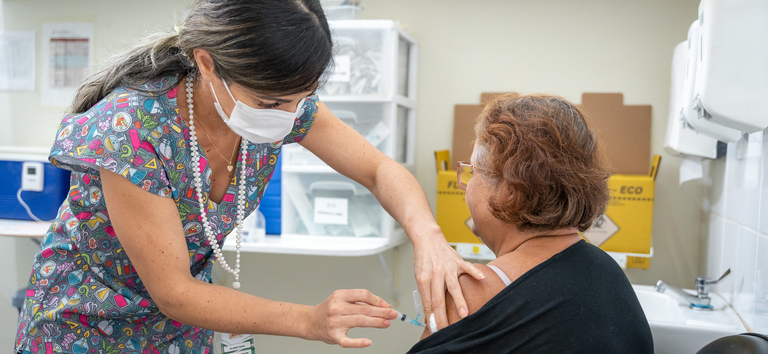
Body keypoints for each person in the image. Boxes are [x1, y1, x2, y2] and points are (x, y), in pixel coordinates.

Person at [14, 1, 483, 352]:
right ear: (206, 63)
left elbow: (380, 170)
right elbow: (175, 292)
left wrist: (429, 238)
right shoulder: (132, 129)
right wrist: (309, 320)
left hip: (177, 329)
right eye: (271, 104)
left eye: (304, 97)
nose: (290, 116)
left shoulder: (282, 104)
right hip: (84, 325)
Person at [408, 94, 653, 353]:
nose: (466, 187)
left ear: (510, 190)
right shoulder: (608, 274)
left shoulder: (469, 297)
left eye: (473, 171)